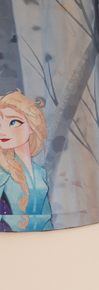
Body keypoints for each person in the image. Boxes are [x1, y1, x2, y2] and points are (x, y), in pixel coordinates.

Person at [0, 90, 53, 232]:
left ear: (32, 127)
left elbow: (46, 217)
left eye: (13, 122)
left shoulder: (40, 172)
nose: (2, 131)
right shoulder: (2, 172)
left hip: (43, 240)